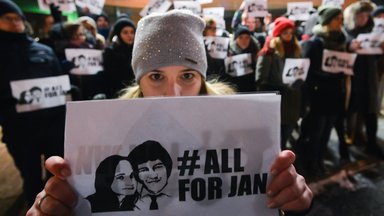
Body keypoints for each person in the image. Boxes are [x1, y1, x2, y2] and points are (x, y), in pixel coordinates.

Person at [26, 10, 313, 216]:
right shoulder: (111, 131)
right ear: (139, 80)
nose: (173, 93)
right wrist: (60, 204)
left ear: (202, 77)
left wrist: (293, 202)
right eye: (157, 77)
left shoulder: (239, 127)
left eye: (187, 75)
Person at [0, 0, 67, 206]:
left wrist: (68, 91)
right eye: (7, 18)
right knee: (30, 177)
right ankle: (35, 206)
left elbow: (59, 78)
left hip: (52, 124)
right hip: (19, 129)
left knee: (57, 172)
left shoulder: (43, 50)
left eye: (17, 18)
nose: (14, 22)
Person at [300, 6, 349, 178]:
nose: (340, 23)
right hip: (320, 94)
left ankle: (320, 160)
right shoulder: (315, 43)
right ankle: (311, 162)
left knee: (328, 130)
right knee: (317, 131)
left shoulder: (342, 41)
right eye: (337, 19)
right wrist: (327, 75)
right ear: (328, 21)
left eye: (341, 19)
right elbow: (307, 70)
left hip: (336, 93)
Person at [344, 1, 384, 159]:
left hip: (369, 78)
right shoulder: (347, 32)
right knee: (351, 110)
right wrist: (349, 47)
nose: (364, 18)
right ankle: (350, 139)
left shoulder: (374, 32)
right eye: (360, 15)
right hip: (352, 78)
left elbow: (375, 56)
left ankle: (372, 143)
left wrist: (381, 50)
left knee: (371, 111)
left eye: (366, 15)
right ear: (354, 16)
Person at [256, 17, 303, 150]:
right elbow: (260, 80)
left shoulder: (296, 50)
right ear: (278, 34)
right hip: (277, 102)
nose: (289, 36)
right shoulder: (268, 53)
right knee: (275, 140)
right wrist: (281, 88)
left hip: (292, 101)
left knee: (286, 135)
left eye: (291, 33)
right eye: (285, 33)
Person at [127, 140, 172, 210]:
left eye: (158, 167)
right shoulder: (130, 203)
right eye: (143, 170)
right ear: (137, 175)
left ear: (167, 167)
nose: (153, 175)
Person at [103, 17, 136, 98]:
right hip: (118, 93)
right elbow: (110, 77)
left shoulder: (137, 50)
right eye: (125, 32)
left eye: (132, 32)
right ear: (118, 34)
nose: (130, 35)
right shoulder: (111, 52)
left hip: (135, 92)